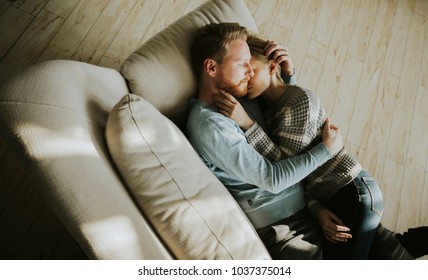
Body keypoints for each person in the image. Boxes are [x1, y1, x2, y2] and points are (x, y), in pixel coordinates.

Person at [186, 22, 420, 260]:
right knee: (388, 255)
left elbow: (291, 124)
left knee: (390, 256)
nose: (248, 73)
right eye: (241, 64)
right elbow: (274, 178)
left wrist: (288, 76)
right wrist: (326, 150)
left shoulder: (241, 99)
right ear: (211, 68)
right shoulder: (211, 125)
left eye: (250, 64)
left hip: (325, 200)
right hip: (287, 225)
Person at [214, 34, 383, 260]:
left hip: (350, 190)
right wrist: (317, 209)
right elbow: (299, 173)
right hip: (331, 196)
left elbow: (286, 166)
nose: (246, 75)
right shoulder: (267, 107)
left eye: (250, 68)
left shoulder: (300, 101)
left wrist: (247, 123)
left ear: (272, 66)